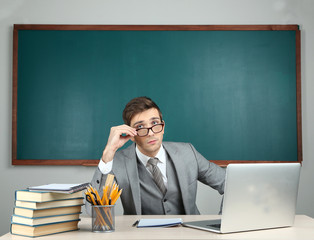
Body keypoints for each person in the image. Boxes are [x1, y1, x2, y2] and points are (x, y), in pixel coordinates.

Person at [86, 96, 225, 215]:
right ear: (131, 134)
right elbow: (94, 212)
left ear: (163, 127)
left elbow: (228, 183)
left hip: (189, 235)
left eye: (154, 123)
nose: (151, 132)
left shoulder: (188, 153)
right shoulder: (117, 162)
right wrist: (108, 153)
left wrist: (223, 220)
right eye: (140, 127)